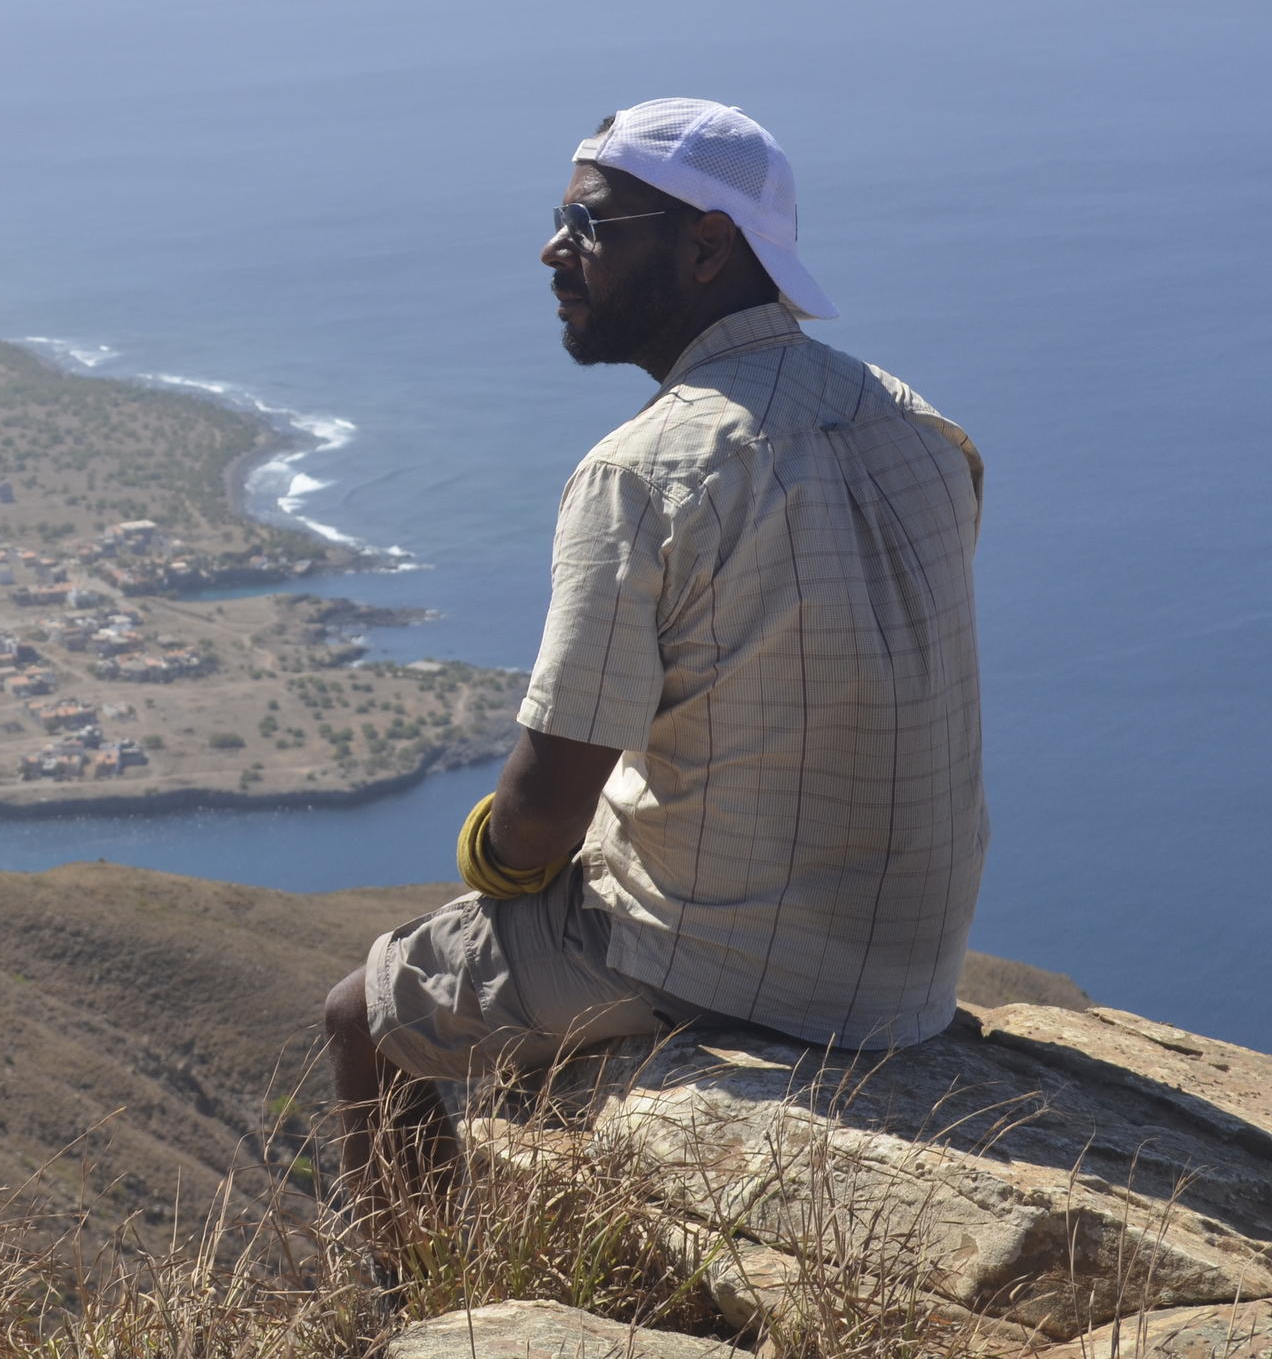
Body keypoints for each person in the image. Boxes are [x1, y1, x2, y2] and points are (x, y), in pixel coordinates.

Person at [324, 98, 988, 1205]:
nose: (552, 250)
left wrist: (493, 860)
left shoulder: (644, 468)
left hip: (729, 973)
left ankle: (432, 1308)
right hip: (912, 971)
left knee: (364, 1015)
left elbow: (538, 819)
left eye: (588, 225)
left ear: (703, 245)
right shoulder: (923, 428)